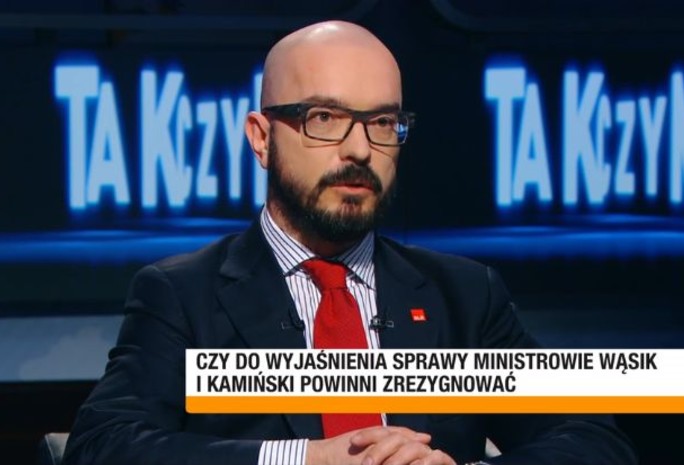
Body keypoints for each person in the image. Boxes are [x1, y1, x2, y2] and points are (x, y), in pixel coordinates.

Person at [63, 20, 637, 465]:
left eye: (383, 123)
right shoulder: (183, 294)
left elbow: (592, 438)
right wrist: (304, 459)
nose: (359, 149)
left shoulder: (464, 295)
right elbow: (104, 445)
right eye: (324, 118)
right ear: (261, 138)